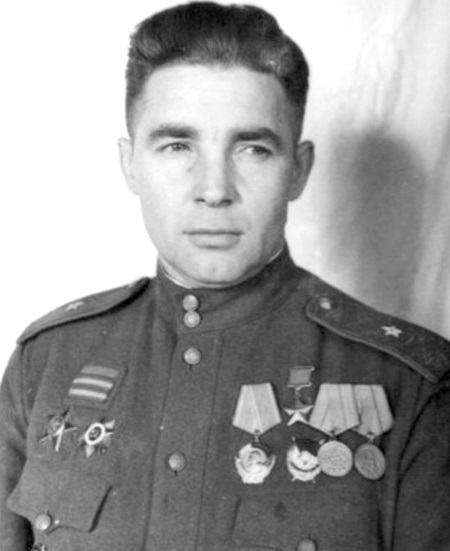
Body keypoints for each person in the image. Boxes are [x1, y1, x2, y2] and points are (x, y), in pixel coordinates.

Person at [1, 2, 450, 550]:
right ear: (130, 164)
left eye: (253, 148)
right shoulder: (47, 362)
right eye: (177, 145)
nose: (214, 189)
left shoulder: (410, 386)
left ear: (298, 170)